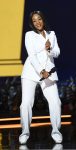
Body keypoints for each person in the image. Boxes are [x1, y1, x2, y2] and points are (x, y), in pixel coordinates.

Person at [19, 11, 62, 144]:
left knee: (56, 102)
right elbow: (31, 56)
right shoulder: (29, 35)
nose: (37, 22)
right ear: (32, 23)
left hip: (49, 72)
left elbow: (57, 53)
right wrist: (41, 71)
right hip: (31, 72)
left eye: (39, 19)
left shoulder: (52, 34)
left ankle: (56, 132)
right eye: (34, 21)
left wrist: (49, 49)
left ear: (43, 20)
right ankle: (25, 133)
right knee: (26, 103)